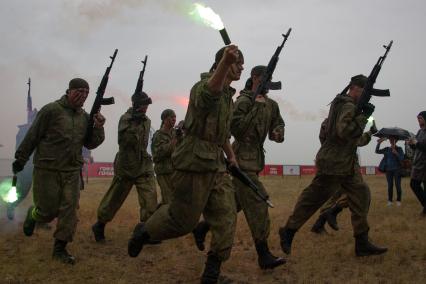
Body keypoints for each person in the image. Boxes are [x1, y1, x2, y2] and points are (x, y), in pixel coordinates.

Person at [127, 45, 243, 284]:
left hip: (216, 165)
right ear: (224, 63)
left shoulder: (229, 99)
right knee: (183, 221)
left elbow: (221, 135)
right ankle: (144, 231)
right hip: (194, 162)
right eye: (238, 62)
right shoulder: (203, 87)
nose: (241, 66)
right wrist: (224, 62)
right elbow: (209, 95)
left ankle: (211, 275)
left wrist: (231, 156)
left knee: (226, 215)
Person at [279, 74, 387, 257]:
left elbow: (354, 140)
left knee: (361, 195)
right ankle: (289, 230)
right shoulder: (347, 105)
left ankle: (362, 242)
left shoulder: (347, 106)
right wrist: (364, 118)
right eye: (363, 92)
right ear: (353, 88)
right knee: (313, 198)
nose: (365, 96)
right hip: (334, 163)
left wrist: (368, 133)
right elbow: (344, 132)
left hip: (346, 163)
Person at [12, 78, 106, 264]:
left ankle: (60, 248)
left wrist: (98, 128)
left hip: (71, 170)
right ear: (69, 91)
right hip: (47, 169)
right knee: (47, 211)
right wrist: (21, 159)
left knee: (69, 211)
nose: (83, 96)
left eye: (86, 93)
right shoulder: (51, 111)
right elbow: (33, 136)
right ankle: (34, 215)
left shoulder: (84, 117)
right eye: (79, 91)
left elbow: (90, 143)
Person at [230, 65, 285, 269]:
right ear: (254, 78)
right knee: (259, 203)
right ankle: (264, 255)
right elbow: (234, 127)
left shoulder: (271, 105)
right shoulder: (243, 101)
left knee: (234, 203)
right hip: (241, 159)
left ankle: (202, 228)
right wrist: (255, 105)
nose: (269, 83)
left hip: (255, 159)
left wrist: (278, 133)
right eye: (265, 78)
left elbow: (278, 123)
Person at [92, 91, 157, 243]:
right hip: (126, 165)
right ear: (136, 105)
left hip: (143, 165)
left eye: (147, 105)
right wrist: (134, 123)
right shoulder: (126, 119)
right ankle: (100, 225)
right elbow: (124, 142)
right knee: (115, 198)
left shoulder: (147, 121)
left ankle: (146, 231)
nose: (146, 107)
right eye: (144, 105)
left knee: (150, 198)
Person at [311, 120, 377, 233]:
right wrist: (370, 133)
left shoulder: (327, 123)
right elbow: (358, 141)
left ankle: (319, 224)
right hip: (345, 164)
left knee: (335, 195)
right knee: (359, 193)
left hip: (331, 163)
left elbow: (323, 139)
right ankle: (332, 213)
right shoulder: (344, 123)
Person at [151, 109, 177, 204]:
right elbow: (158, 154)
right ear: (165, 119)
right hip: (164, 172)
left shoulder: (175, 133)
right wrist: (174, 141)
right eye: (171, 117)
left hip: (175, 171)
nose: (174, 119)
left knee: (175, 200)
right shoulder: (158, 135)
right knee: (168, 200)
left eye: (175, 117)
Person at [376, 137, 404, 206]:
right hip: (388, 170)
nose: (391, 140)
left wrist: (396, 153)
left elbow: (401, 158)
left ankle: (398, 200)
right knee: (390, 186)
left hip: (397, 170)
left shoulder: (399, 149)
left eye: (393, 139)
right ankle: (390, 201)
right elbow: (377, 151)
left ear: (396, 140)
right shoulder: (387, 149)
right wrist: (379, 143)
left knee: (398, 185)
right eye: (390, 139)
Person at [407, 111, 426, 215]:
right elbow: (417, 147)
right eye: (418, 118)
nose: (418, 120)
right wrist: (411, 144)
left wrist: (417, 143)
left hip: (425, 164)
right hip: (418, 163)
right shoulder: (420, 131)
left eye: (420, 118)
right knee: (414, 184)